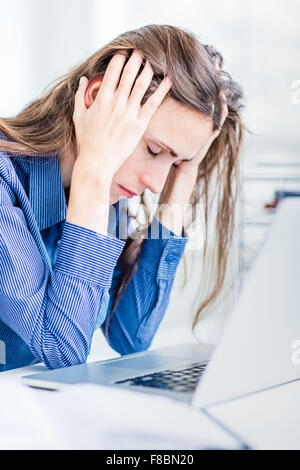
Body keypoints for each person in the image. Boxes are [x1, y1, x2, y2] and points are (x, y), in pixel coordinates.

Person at [0, 24, 244, 371]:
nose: (157, 184)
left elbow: (131, 334)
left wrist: (185, 173)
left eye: (174, 161)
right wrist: (93, 171)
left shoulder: (109, 196)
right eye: (153, 149)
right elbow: (61, 351)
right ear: (96, 98)